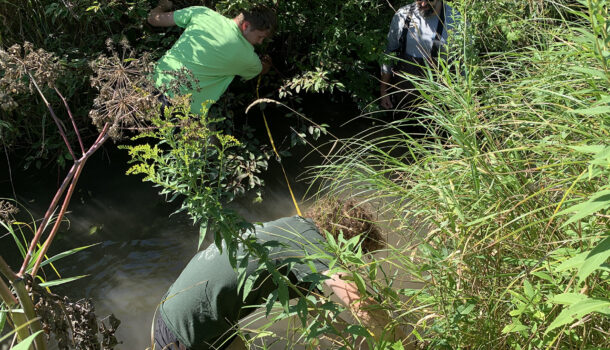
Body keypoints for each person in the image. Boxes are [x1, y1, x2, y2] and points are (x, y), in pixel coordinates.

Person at [152, 198, 404, 350]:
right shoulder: (316, 245)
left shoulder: (296, 228)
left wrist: (355, 341)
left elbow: (322, 314)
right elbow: (360, 303)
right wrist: (405, 343)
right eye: (358, 255)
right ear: (348, 242)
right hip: (188, 331)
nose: (354, 263)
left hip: (173, 310)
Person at [147, 0, 276, 115]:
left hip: (148, 87)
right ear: (246, 26)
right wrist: (267, 64)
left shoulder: (203, 13)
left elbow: (153, 19)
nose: (260, 42)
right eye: (260, 37)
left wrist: (162, 5)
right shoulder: (247, 57)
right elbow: (261, 69)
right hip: (180, 109)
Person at [380, 0, 459, 110]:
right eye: (419, 0)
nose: (423, 4)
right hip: (403, 98)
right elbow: (389, 54)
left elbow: (463, 65)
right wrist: (383, 90)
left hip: (439, 103)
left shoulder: (455, 20)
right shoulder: (402, 15)